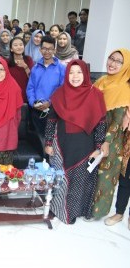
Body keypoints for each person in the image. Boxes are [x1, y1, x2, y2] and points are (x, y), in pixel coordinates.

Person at [45, 59, 107, 224]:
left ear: (86, 74)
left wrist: (99, 146)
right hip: (62, 144)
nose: (75, 76)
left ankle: (76, 212)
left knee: (81, 182)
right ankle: (59, 210)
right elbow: (51, 121)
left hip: (86, 146)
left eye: (79, 72)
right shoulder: (59, 94)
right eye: (71, 72)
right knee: (60, 179)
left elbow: (101, 123)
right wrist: (48, 143)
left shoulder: (96, 95)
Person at [92, 49, 130, 220]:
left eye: (118, 61)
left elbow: (117, 121)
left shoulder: (124, 88)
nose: (112, 64)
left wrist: (106, 142)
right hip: (93, 134)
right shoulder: (101, 82)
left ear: (126, 66)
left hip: (111, 141)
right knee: (91, 172)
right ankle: (86, 206)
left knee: (104, 177)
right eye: (111, 59)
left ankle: (97, 212)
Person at [26, 35, 65, 137]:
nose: (47, 51)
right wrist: (33, 102)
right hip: (37, 110)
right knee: (39, 139)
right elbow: (30, 88)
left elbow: (62, 89)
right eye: (44, 48)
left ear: (54, 50)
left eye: (50, 49)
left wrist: (50, 102)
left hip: (53, 110)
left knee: (51, 139)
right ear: (40, 49)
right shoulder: (35, 68)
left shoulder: (61, 68)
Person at [7, 37, 34, 103]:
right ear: (11, 49)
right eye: (15, 45)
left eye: (21, 45)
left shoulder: (28, 59)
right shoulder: (7, 62)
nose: (19, 47)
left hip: (26, 94)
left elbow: (33, 78)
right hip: (12, 96)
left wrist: (25, 67)